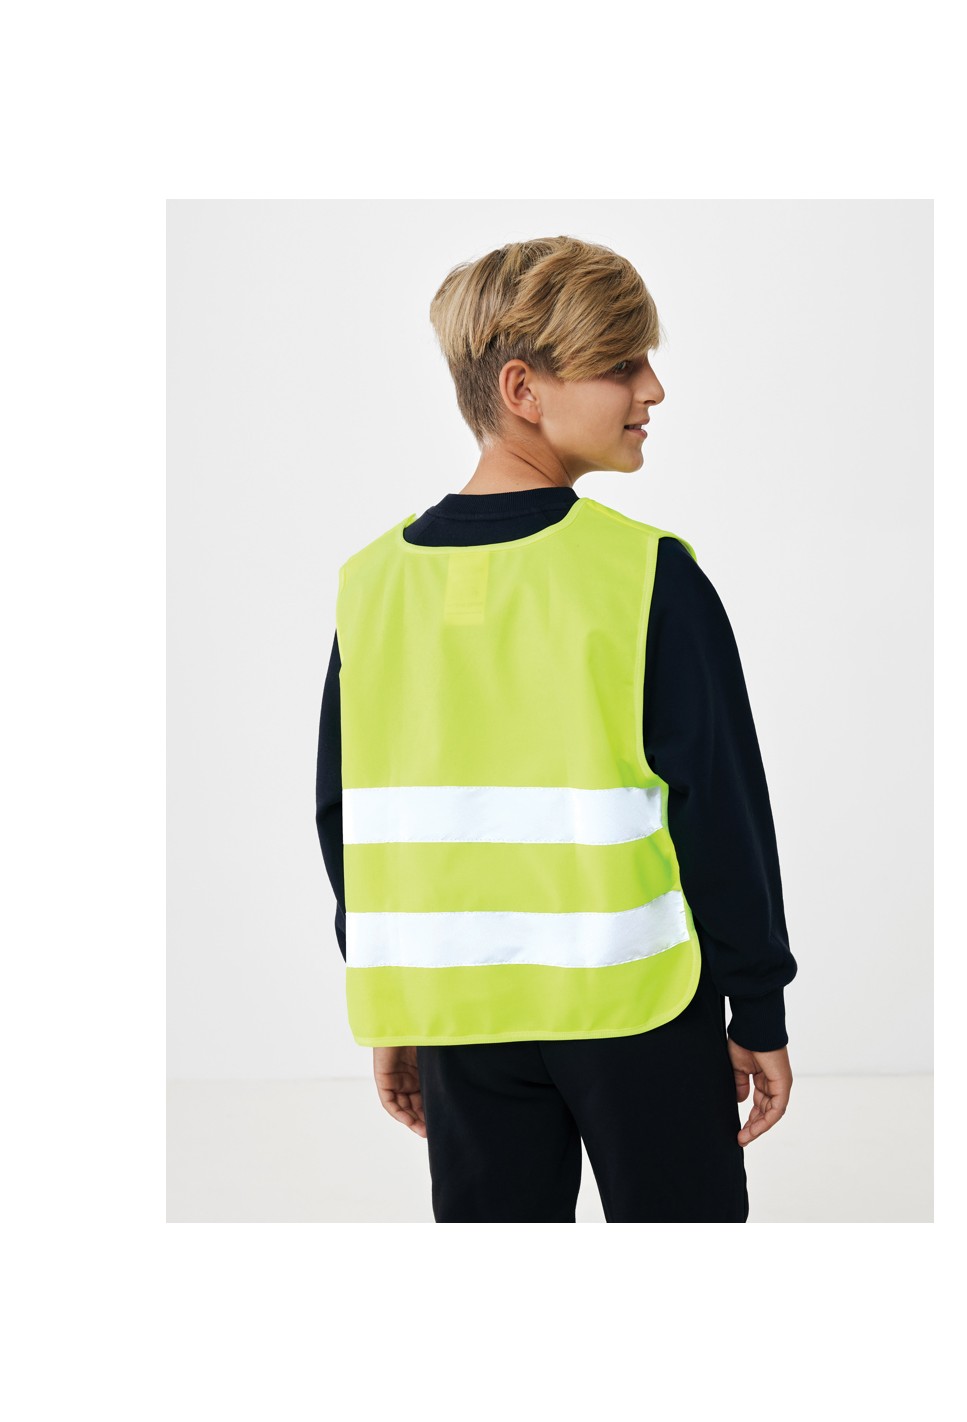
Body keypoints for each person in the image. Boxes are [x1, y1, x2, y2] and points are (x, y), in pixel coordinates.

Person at [315, 235, 797, 1222]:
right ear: (522, 388)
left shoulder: (372, 587)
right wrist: (757, 1004)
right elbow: (721, 814)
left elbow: (345, 819)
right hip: (637, 1012)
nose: (652, 388)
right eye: (620, 363)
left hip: (461, 1015)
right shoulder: (644, 576)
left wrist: (395, 1001)